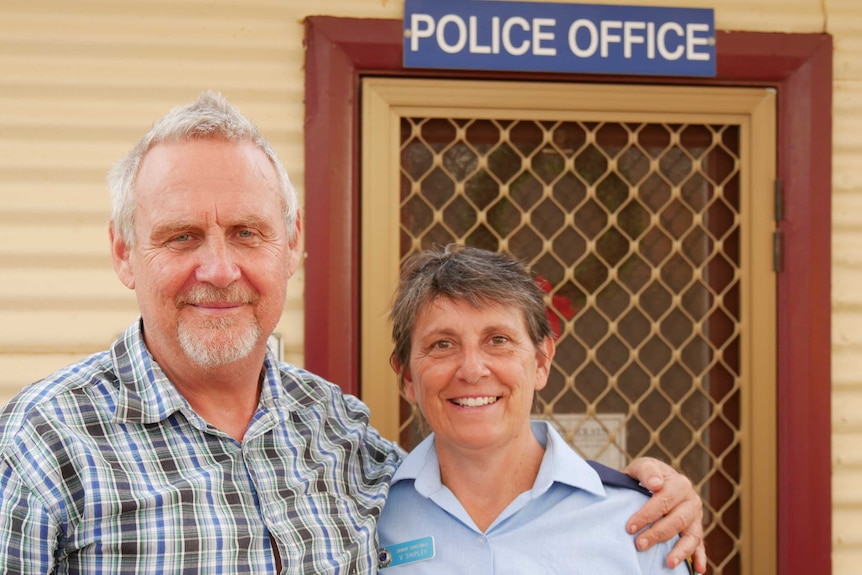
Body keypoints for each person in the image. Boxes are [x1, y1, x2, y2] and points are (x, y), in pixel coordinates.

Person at [0, 92, 705, 573]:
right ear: (125, 252)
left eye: (247, 233)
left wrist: (647, 489)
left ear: (292, 246)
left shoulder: (342, 436)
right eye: (181, 236)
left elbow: (475, 463)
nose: (219, 269)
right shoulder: (45, 442)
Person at [378, 244, 695, 573]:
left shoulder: (640, 523)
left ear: (541, 361)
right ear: (407, 378)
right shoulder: (365, 518)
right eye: (442, 345)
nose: (472, 370)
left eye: (498, 340)